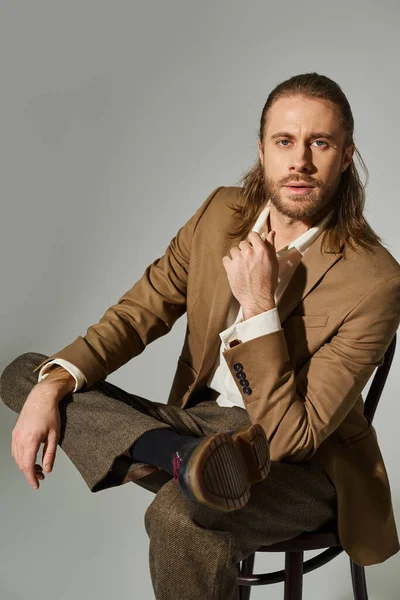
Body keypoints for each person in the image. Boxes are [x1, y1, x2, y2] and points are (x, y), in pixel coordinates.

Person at [1, 72, 400, 600]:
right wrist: (51, 388)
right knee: (28, 374)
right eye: (285, 141)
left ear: (346, 155)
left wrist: (259, 306)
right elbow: (136, 314)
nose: (299, 160)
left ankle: (187, 460)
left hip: (302, 464)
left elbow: (294, 439)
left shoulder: (375, 281)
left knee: (179, 514)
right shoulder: (220, 215)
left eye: (319, 143)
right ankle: (182, 454)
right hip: (201, 426)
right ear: (262, 149)